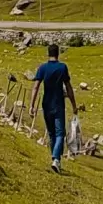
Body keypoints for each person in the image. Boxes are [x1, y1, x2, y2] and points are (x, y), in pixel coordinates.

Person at [30, 42, 77, 173]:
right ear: (58, 53)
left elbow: (36, 87)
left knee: (52, 134)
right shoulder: (62, 68)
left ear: (48, 54)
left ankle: (56, 161)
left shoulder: (42, 68)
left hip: (46, 104)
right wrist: (74, 105)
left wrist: (31, 105)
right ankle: (56, 159)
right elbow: (68, 87)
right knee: (60, 133)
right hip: (58, 105)